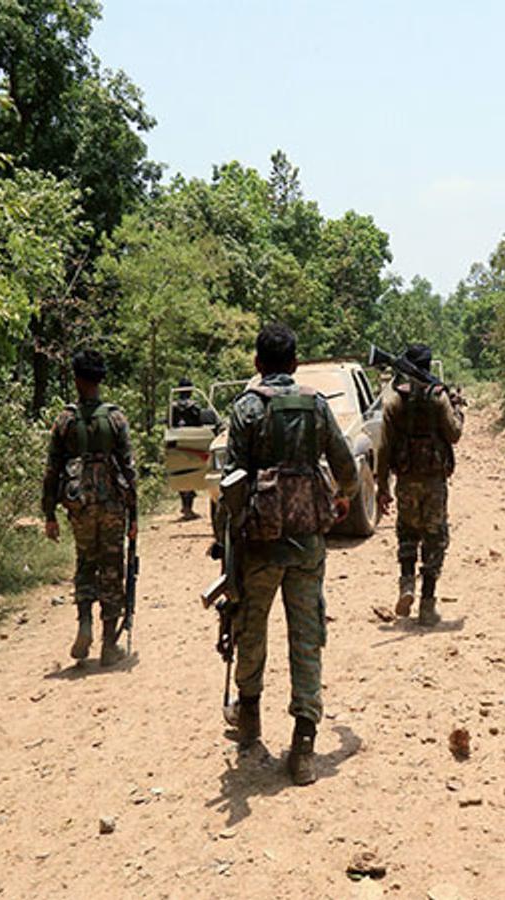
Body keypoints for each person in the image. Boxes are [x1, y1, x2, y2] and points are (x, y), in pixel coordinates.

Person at [221, 323, 358, 785]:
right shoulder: (317, 406)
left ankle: (250, 722)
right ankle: (304, 746)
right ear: (296, 365)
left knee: (249, 628)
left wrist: (228, 542)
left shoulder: (246, 408)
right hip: (307, 543)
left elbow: (232, 482)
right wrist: (341, 498)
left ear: (258, 364)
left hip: (259, 543)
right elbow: (346, 466)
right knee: (306, 636)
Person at [41, 349, 138, 667]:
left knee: (85, 563)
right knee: (112, 567)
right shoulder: (115, 418)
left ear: (77, 379)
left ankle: (84, 621)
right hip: (112, 503)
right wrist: (134, 515)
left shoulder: (65, 420)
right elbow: (128, 468)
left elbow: (52, 469)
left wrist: (49, 514)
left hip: (79, 503)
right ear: (100, 380)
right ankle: (109, 644)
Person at [375, 343, 464, 626]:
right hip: (434, 482)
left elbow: (384, 449)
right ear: (428, 366)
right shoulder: (438, 399)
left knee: (407, 533)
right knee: (435, 539)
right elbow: (454, 434)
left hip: (405, 480)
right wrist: (458, 408)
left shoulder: (394, 402)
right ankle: (427, 604)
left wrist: (382, 487)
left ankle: (406, 586)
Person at [170, 377, 204, 520]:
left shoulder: (172, 406)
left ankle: (186, 506)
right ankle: (188, 508)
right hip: (192, 441)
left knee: (180, 472)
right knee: (192, 472)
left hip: (176, 441)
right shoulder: (194, 406)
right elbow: (200, 424)